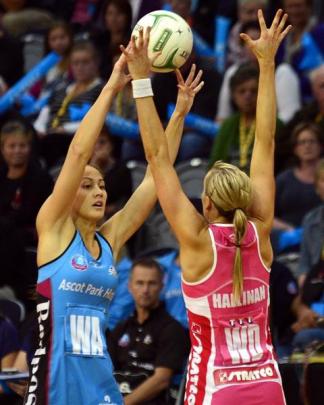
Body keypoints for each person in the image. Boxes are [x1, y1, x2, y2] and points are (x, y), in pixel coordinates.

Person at [122, 9, 290, 404]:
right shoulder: (260, 230)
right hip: (268, 384)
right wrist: (267, 64)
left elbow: (157, 158)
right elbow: (265, 142)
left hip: (216, 387)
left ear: (207, 202)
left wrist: (142, 81)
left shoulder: (198, 241)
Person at [23, 43, 204, 405]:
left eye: (102, 185)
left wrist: (179, 115)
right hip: (57, 381)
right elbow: (78, 153)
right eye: (87, 185)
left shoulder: (110, 240)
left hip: (101, 381)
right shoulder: (55, 229)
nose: (98, 191)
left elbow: (156, 180)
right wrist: (111, 86)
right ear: (69, 191)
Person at [107, 258, 189, 404]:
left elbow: (162, 380)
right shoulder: (120, 329)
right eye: (140, 283)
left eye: (152, 283)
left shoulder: (173, 329)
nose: (145, 290)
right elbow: (105, 373)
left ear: (162, 286)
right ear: (129, 286)